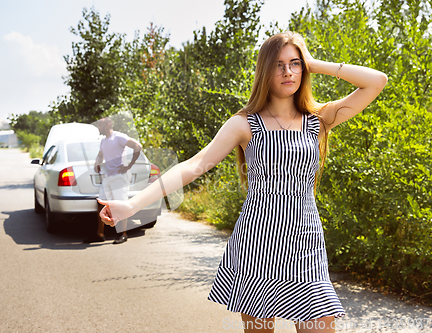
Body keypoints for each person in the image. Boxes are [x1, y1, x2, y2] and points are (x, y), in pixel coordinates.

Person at [97, 31, 387, 332]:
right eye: (278, 64)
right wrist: (132, 205)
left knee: (321, 327)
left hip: (307, 241)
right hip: (258, 242)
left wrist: (315, 62)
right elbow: (194, 165)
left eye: (294, 63)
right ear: (264, 70)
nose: (287, 71)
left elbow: (376, 81)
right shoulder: (245, 123)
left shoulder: (319, 119)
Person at [83, 117, 142, 245]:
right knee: (100, 203)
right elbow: (100, 154)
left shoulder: (118, 137)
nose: (99, 128)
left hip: (120, 177)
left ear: (109, 124)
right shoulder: (104, 141)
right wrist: (97, 162)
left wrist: (129, 165)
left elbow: (137, 146)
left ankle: (123, 234)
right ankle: (99, 234)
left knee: (121, 204)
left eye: (101, 125)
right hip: (108, 176)